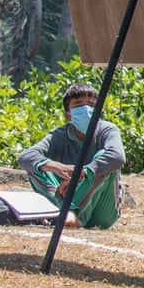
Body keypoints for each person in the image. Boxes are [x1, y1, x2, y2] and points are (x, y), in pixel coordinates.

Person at [17, 83, 125, 229]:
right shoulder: (59, 135)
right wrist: (56, 167)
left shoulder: (107, 130)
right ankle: (67, 214)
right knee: (38, 165)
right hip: (64, 202)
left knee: (103, 158)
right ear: (68, 114)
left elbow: (117, 157)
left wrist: (82, 172)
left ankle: (71, 213)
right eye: (79, 104)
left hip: (102, 212)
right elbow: (25, 157)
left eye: (91, 105)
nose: (86, 109)